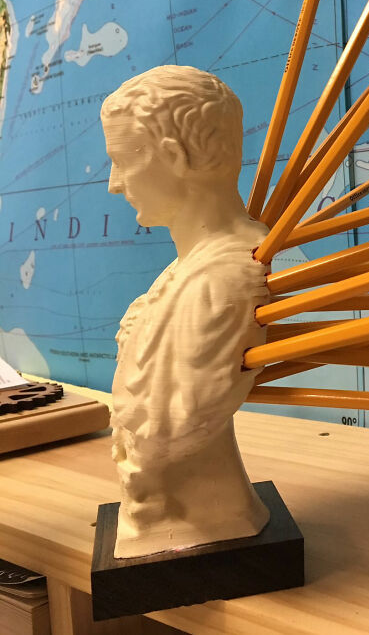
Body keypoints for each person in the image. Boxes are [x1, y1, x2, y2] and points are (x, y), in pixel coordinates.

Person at [101, 65, 270, 558]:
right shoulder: (188, 270)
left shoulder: (221, 283)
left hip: (201, 520)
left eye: (121, 161)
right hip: (180, 511)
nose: (114, 184)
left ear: (174, 157)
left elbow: (169, 430)